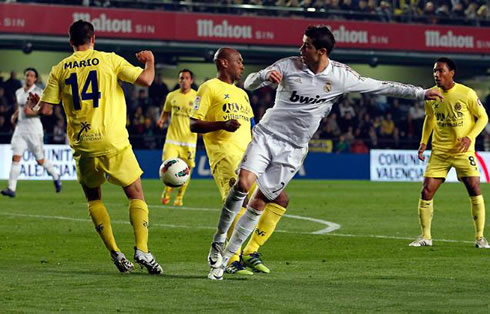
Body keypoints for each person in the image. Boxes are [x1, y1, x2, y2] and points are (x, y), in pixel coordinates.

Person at [207, 25, 443, 280]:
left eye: (306, 46)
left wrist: (420, 93)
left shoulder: (341, 76)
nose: (300, 49)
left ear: (321, 51)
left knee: (260, 202)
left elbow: (380, 86)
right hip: (267, 136)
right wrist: (265, 77)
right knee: (243, 184)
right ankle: (219, 240)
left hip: (294, 149)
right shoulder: (288, 65)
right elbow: (250, 81)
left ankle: (225, 259)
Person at [28, 20, 163, 274]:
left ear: (70, 42)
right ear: (94, 38)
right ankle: (142, 249)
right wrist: (150, 61)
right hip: (113, 141)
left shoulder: (60, 68)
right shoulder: (109, 60)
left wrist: (37, 102)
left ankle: (116, 253)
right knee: (135, 193)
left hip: (83, 146)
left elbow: (45, 110)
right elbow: (146, 80)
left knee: (94, 199)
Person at [191, 47, 287, 277]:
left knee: (279, 198)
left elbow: (252, 127)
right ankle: (232, 259)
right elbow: (193, 124)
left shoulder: (242, 94)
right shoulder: (208, 88)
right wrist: (221, 124)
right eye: (239, 61)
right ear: (224, 63)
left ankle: (251, 251)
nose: (242, 66)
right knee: (240, 203)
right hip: (224, 156)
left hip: (250, 157)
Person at [409, 57, 489, 248]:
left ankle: (480, 237)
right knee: (426, 190)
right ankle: (426, 237)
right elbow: (429, 119)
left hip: (463, 151)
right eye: (435, 71)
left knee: (474, 188)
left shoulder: (466, 93)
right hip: (440, 152)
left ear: (451, 72)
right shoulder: (432, 95)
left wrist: (470, 137)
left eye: (441, 71)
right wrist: (423, 143)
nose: (437, 75)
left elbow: (483, 117)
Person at [1, 68, 61, 198]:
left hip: (34, 130)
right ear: (24, 77)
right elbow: (21, 107)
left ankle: (56, 176)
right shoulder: (18, 92)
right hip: (20, 129)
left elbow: (48, 111)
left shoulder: (39, 92)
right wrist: (15, 114)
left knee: (40, 160)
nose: (29, 77)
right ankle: (11, 188)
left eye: (32, 75)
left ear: (35, 79)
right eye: (27, 75)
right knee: (15, 158)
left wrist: (34, 112)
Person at [156, 69, 197, 206]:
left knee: (186, 170)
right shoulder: (171, 96)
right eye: (181, 78)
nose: (183, 80)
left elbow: (202, 116)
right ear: (178, 80)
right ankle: (167, 191)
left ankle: (179, 197)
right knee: (168, 166)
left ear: (191, 80)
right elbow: (166, 111)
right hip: (172, 139)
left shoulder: (197, 98)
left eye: (186, 78)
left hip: (189, 141)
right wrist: (162, 120)